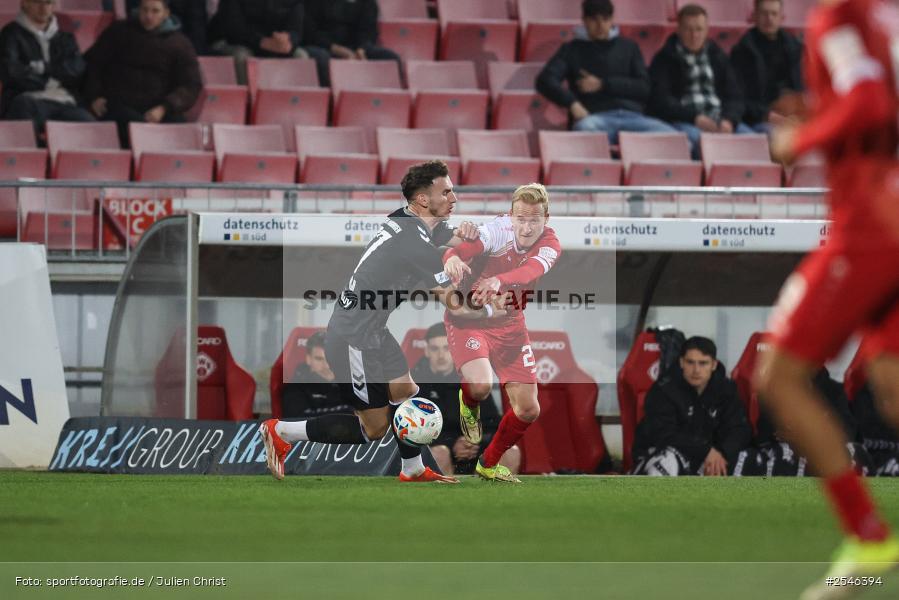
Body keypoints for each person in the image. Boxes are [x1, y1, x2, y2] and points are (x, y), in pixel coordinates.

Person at [755, 0, 899, 595]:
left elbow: (869, 105)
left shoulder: (835, 15)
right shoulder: (872, 19)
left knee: (778, 377)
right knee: (891, 382)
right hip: (890, 216)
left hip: (867, 231)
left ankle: (869, 536)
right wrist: (825, 111)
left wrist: (799, 138)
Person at [259, 160, 504, 484]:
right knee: (373, 427)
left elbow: (444, 232)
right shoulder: (413, 244)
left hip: (373, 330)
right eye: (446, 192)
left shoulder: (407, 220)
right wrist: (491, 311)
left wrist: (465, 231)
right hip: (352, 338)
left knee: (406, 390)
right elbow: (455, 307)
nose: (454, 198)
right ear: (422, 199)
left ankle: (412, 468)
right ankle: (282, 431)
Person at [441, 183, 562, 483]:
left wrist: (498, 280)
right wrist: (451, 259)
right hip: (470, 319)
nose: (527, 226)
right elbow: (462, 249)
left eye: (534, 219)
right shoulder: (498, 229)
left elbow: (531, 270)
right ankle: (468, 406)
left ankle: (489, 463)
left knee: (528, 408)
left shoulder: (551, 243)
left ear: (545, 219)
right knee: (481, 386)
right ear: (511, 216)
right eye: (521, 218)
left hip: (509, 324)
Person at [536, 0, 675, 144]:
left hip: (634, 118)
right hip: (596, 118)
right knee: (585, 129)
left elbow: (644, 88)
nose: (601, 26)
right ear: (584, 20)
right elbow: (545, 80)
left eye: (605, 19)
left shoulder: (629, 47)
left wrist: (603, 84)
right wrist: (572, 104)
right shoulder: (571, 49)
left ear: (612, 20)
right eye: (594, 20)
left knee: (677, 141)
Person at [83, 0, 201, 146]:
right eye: (144, 10)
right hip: (118, 104)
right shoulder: (118, 32)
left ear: (166, 13)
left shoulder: (180, 44)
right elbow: (93, 64)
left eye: (155, 11)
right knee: (134, 125)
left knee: (181, 130)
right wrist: (94, 96)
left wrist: (164, 107)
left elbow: (190, 84)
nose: (149, 16)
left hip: (158, 108)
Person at [411, 322, 520, 477]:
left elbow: (494, 425)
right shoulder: (414, 384)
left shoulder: (472, 380)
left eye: (446, 348)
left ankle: (496, 501)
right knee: (439, 454)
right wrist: (451, 444)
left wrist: (477, 442)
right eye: (435, 349)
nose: (441, 356)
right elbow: (412, 432)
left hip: (474, 452)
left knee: (511, 452)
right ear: (427, 351)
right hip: (439, 449)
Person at [631, 337, 751, 476]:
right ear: (681, 362)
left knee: (749, 459)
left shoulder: (726, 389)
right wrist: (705, 451)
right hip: (666, 454)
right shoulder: (664, 389)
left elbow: (740, 429)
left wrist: (721, 454)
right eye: (690, 362)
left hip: (712, 458)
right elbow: (663, 433)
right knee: (666, 461)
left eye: (703, 363)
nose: (696, 370)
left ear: (714, 365)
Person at [647, 3, 751, 157]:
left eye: (699, 29)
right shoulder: (664, 58)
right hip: (684, 121)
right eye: (688, 29)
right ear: (678, 30)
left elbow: (735, 96)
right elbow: (660, 101)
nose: (694, 35)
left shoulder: (718, 57)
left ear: (707, 30)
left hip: (720, 119)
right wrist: (695, 118)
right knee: (702, 144)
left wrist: (729, 120)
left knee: (753, 143)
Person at [0, 0, 93, 136]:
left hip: (64, 100)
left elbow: (76, 70)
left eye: (48, 2)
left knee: (93, 131)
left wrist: (42, 68)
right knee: (25, 129)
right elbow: (11, 72)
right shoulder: (10, 34)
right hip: (27, 99)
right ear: (24, 3)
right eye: (38, 2)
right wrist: (48, 82)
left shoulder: (66, 38)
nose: (44, 8)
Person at [730, 0, 805, 134]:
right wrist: (766, 115)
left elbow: (804, 89)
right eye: (764, 13)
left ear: (782, 18)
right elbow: (738, 99)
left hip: (793, 116)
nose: (769, 18)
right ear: (754, 16)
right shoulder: (741, 52)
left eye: (774, 14)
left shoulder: (795, 49)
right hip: (759, 120)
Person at [301, 0, 400, 87]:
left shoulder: (368, 3)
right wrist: (336, 49)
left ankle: (382, 103)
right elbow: (309, 32)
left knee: (391, 58)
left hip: (355, 49)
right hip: (324, 47)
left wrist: (361, 49)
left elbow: (368, 32)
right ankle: (330, 103)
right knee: (322, 57)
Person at [207, 0, 307, 85]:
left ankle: (293, 104)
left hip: (271, 44)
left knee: (300, 55)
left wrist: (289, 41)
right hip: (230, 42)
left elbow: (296, 30)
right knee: (242, 56)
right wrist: (263, 42)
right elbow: (233, 30)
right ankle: (250, 104)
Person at [279, 331, 354, 419]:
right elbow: (297, 419)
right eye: (319, 359)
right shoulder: (296, 387)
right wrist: (349, 411)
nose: (326, 366)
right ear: (308, 359)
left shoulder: (352, 384)